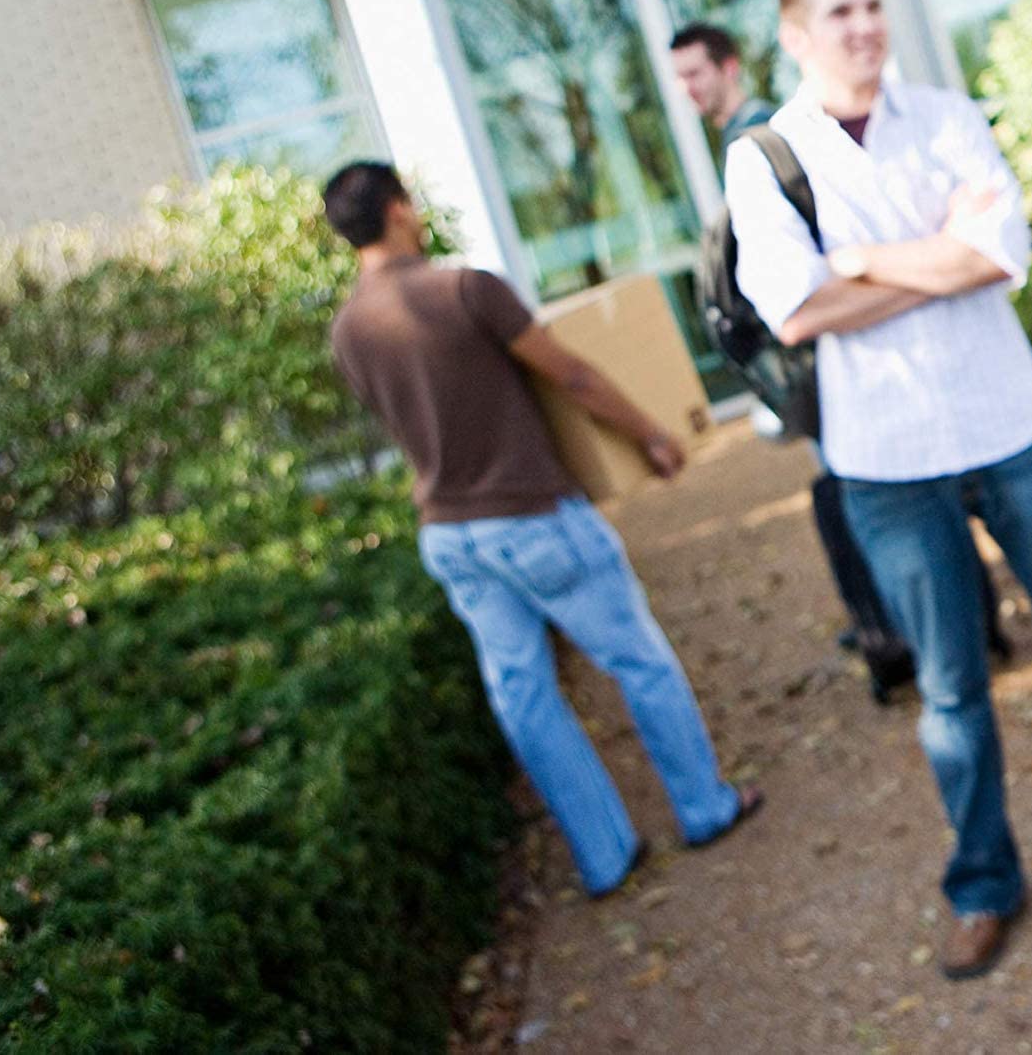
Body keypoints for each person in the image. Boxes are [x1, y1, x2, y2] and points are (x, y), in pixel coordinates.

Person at [722, 0, 1032, 982]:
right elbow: (795, 313)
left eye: (874, 6)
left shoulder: (945, 117)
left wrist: (855, 263)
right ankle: (984, 885)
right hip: (886, 459)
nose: (864, 27)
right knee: (950, 690)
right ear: (796, 36)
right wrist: (931, 264)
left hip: (1005, 425)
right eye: (840, 13)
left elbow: (997, 254)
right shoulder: (766, 158)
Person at [322, 162, 761, 898]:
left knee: (524, 696)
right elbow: (572, 376)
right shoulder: (465, 289)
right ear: (399, 209)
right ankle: (705, 805)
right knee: (638, 658)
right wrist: (650, 432)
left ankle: (606, 854)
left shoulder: (346, 332)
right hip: (531, 518)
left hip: (450, 536)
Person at [669, 22, 777, 140]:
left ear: (729, 68)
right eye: (680, 77)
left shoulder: (756, 126)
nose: (686, 87)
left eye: (694, 74)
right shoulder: (738, 129)